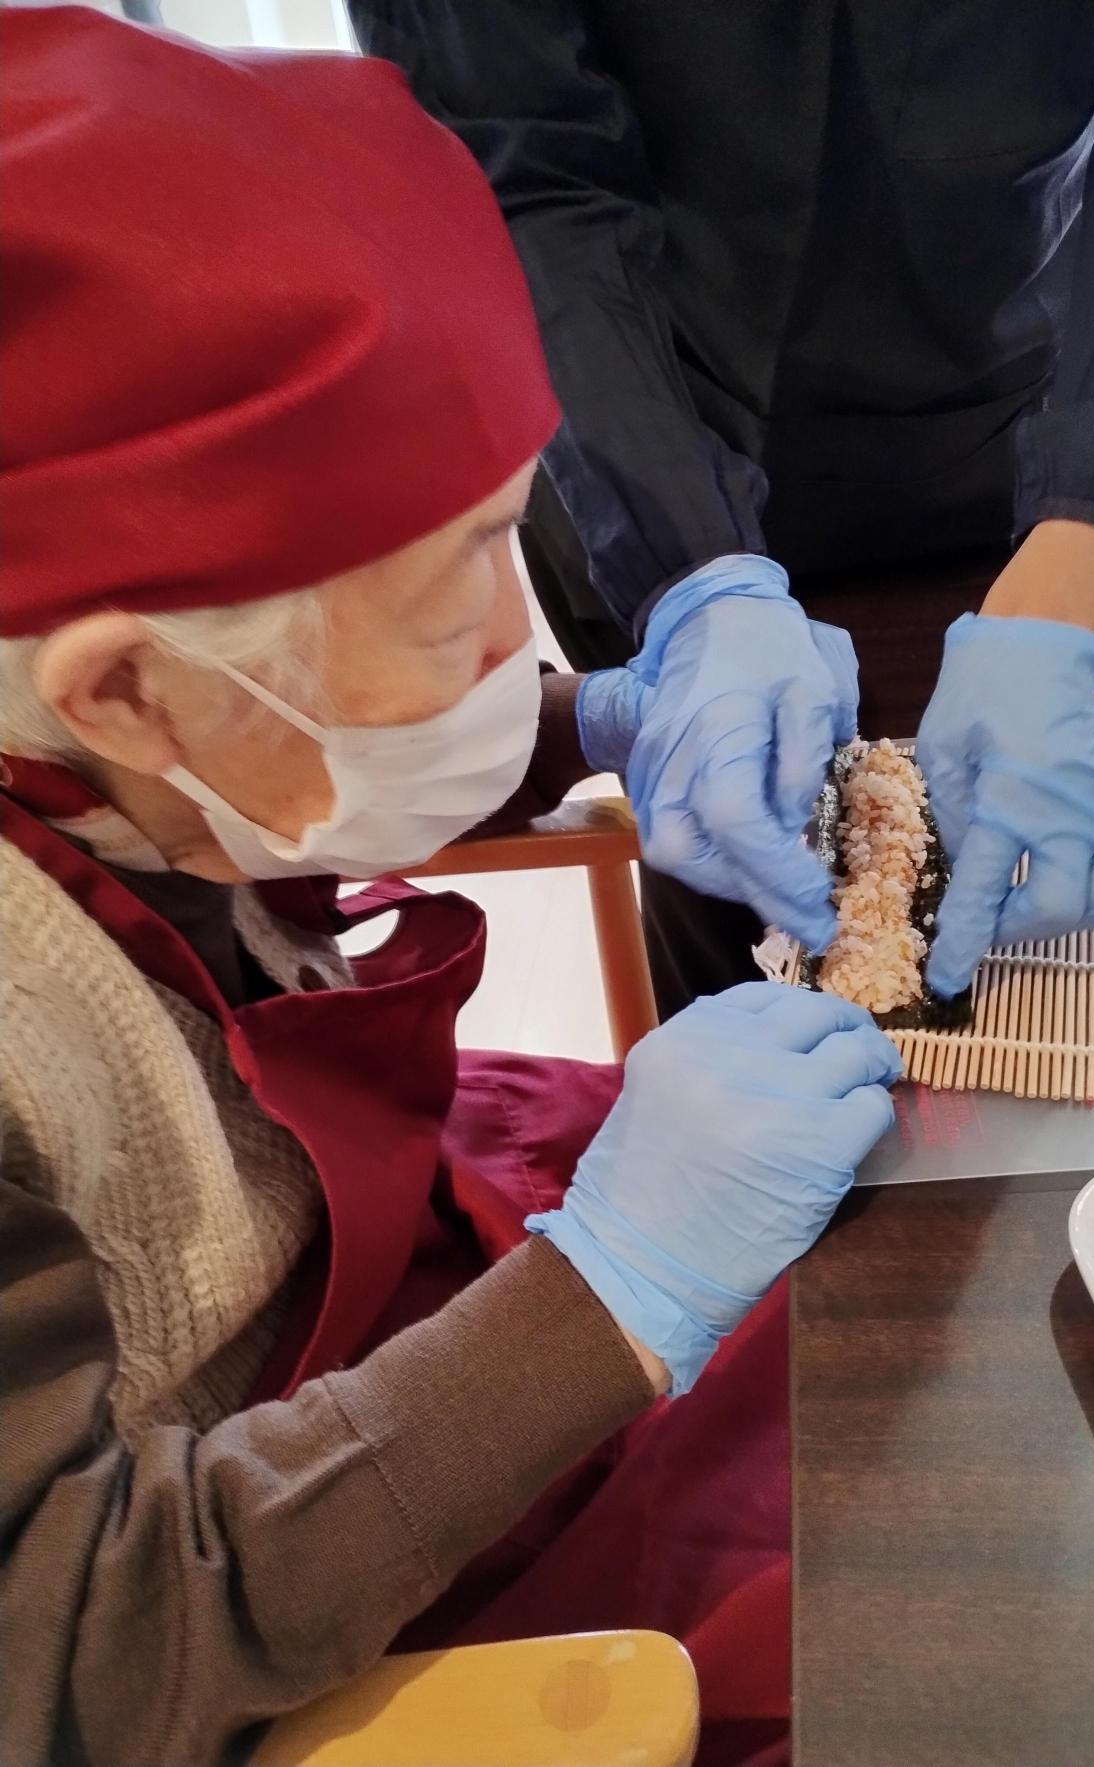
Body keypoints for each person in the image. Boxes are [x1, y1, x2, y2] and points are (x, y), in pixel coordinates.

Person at [0, 14, 900, 1767]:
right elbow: (83, 1647)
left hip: (374, 1234)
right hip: (252, 1540)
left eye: (511, 535)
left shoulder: (119, 723)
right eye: (451, 601)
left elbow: (262, 758)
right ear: (119, 688)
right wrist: (613, 1285)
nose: (514, 634)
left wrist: (587, 725)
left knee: (898, 1287)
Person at [353, 0, 1094, 1018]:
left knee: (984, 942)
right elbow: (519, 166)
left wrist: (1092, 535)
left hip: (989, 434)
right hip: (640, 419)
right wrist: (689, 571)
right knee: (725, 872)